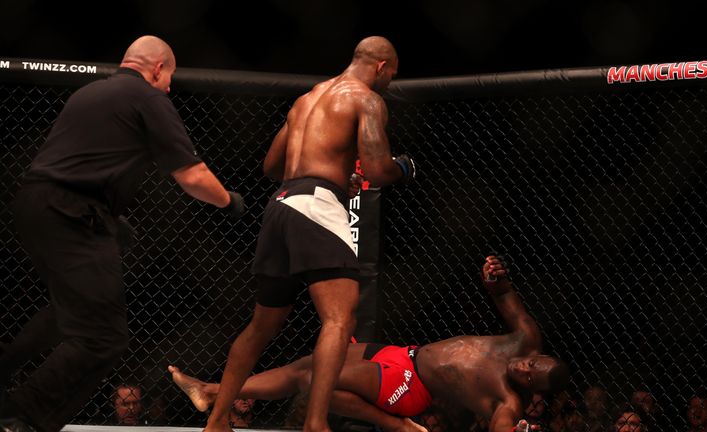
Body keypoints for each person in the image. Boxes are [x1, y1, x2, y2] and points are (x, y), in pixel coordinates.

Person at [0, 35, 244, 432]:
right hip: (72, 214)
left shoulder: (90, 92)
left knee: (68, 315)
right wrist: (229, 202)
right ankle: (20, 413)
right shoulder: (148, 98)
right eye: (170, 79)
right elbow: (193, 175)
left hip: (34, 206)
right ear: (158, 68)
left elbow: (78, 162)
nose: (168, 88)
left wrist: (111, 219)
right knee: (104, 338)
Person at [202, 36, 413, 432]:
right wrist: (405, 166)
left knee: (261, 325)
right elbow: (380, 169)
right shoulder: (366, 99)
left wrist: (331, 178)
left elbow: (271, 166)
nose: (390, 83)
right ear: (382, 66)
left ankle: (216, 421)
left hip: (280, 205)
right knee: (339, 318)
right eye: (392, 75)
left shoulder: (306, 100)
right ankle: (316, 423)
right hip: (316, 207)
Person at [170, 255, 569, 432]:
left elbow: (503, 426)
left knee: (315, 381)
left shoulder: (507, 402)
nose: (525, 368)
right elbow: (504, 298)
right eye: (534, 363)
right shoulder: (525, 340)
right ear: (538, 356)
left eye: (531, 377)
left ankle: (396, 427)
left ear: (530, 390)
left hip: (412, 387)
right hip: (404, 354)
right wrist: (496, 278)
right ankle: (209, 391)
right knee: (304, 366)